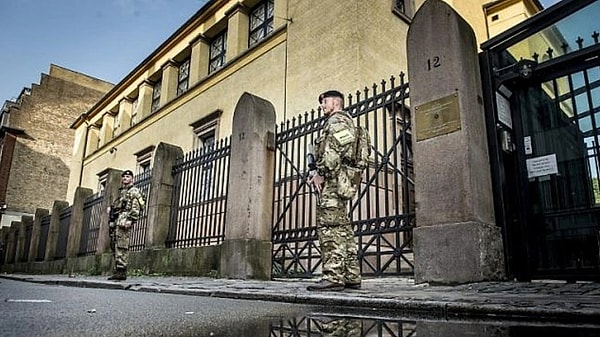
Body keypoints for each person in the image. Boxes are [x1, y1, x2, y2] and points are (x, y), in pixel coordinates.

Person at [307, 90, 362, 291]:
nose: (322, 105)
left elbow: (334, 152)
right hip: (342, 179)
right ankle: (351, 275)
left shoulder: (337, 121)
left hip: (332, 180)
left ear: (336, 102)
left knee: (329, 227)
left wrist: (320, 172)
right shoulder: (347, 122)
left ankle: (333, 276)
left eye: (325, 101)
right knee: (343, 229)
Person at [107, 170, 144, 281]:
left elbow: (136, 206)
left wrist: (131, 219)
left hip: (124, 222)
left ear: (132, 179)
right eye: (123, 177)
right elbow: (120, 207)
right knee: (115, 245)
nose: (125, 179)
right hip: (118, 221)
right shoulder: (123, 192)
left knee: (122, 245)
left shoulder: (134, 191)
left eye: (127, 177)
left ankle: (121, 271)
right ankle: (117, 269)